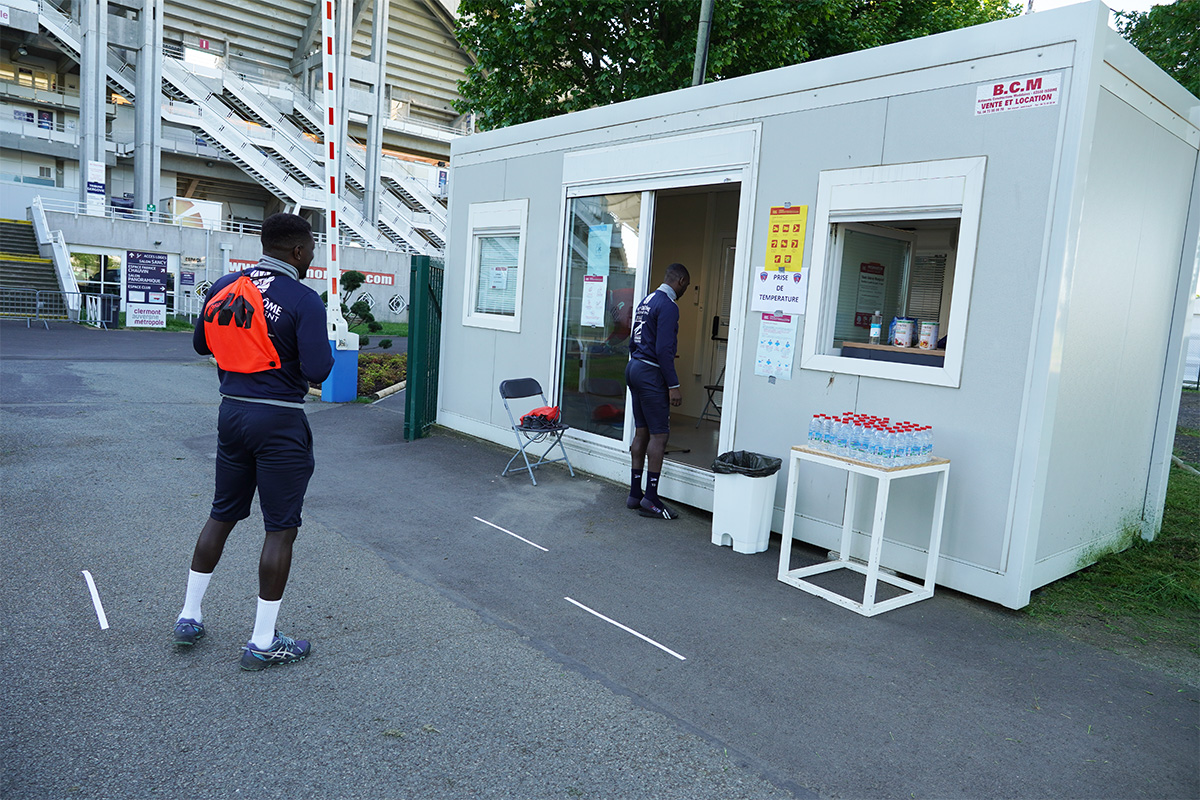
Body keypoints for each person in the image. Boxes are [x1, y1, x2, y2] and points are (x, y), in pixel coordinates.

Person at [173, 212, 334, 671]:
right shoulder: (303, 298)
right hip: (280, 420)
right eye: (311, 250)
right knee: (280, 527)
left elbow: (202, 345)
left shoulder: (225, 284)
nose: (312, 257)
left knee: (222, 513)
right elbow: (320, 370)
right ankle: (263, 641)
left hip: (231, 412)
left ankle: (189, 615)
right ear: (299, 252)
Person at [625, 262, 690, 520]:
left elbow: (633, 339)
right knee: (659, 436)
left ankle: (634, 494)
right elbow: (664, 349)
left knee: (641, 431)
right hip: (651, 373)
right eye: (685, 286)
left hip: (634, 367)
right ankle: (650, 499)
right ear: (681, 282)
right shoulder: (669, 306)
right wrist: (673, 385)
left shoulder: (647, 300)